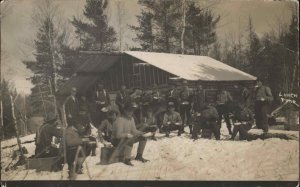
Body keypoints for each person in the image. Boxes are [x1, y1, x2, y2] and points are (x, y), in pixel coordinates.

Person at [111, 102, 149, 166]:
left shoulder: (131, 118)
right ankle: (127, 159)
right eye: (129, 111)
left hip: (126, 137)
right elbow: (118, 135)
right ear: (125, 110)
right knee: (130, 140)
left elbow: (133, 130)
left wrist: (141, 133)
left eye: (132, 111)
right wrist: (127, 135)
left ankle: (139, 156)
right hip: (116, 140)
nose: (131, 112)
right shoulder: (120, 119)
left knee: (143, 138)